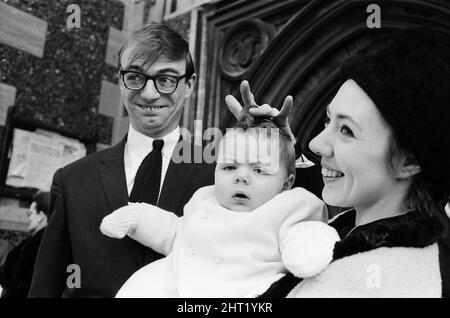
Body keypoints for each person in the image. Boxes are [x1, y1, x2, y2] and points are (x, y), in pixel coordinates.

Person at [229, 28, 450, 297]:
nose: (315, 144)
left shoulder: (401, 281)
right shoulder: (350, 227)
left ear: (410, 161)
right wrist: (278, 150)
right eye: (327, 119)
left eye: (347, 130)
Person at [29, 23, 215, 298]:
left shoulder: (220, 172)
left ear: (189, 85)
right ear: (120, 80)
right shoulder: (72, 181)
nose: (150, 93)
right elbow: (45, 288)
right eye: (136, 77)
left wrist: (284, 148)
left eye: (166, 79)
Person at [100, 106, 339, 297]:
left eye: (259, 171)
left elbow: (307, 232)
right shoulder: (206, 200)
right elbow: (175, 232)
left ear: (286, 184)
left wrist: (308, 247)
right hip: (173, 284)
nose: (241, 177)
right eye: (229, 166)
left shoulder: (290, 207)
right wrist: (138, 217)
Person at [0, 191, 50, 298]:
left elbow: (25, 283)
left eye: (29, 213)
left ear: (40, 216)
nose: (27, 218)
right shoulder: (32, 241)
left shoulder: (40, 244)